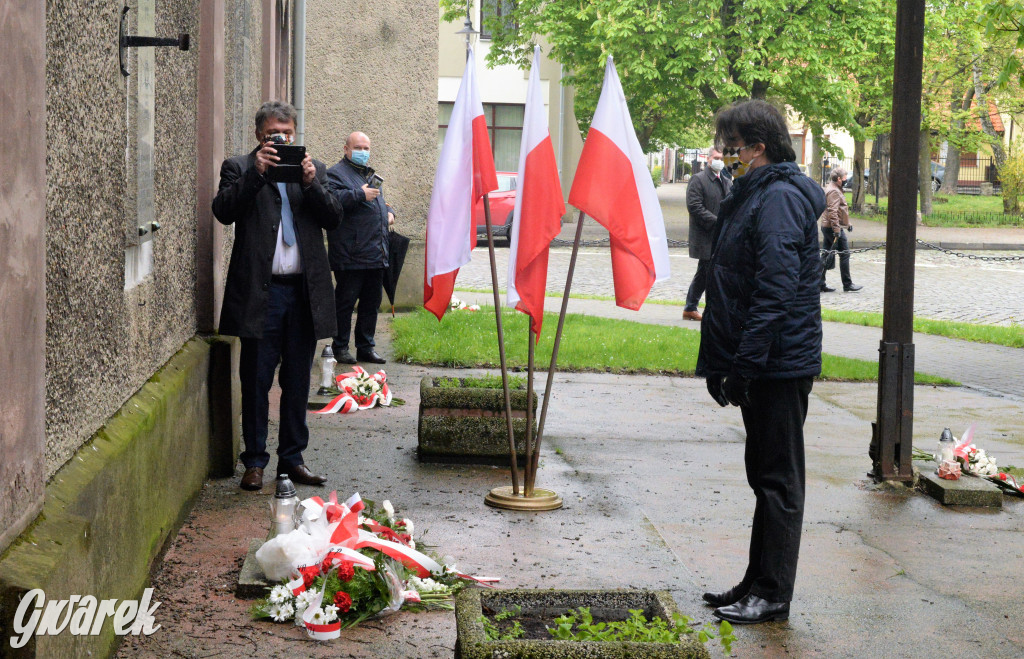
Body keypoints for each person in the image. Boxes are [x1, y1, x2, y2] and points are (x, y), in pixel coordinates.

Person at [696, 99, 825, 625]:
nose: (727, 154)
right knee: (764, 476)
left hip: (778, 364)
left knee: (778, 481)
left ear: (759, 147)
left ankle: (772, 593)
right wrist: (722, 364)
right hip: (762, 361)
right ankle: (756, 581)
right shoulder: (754, 193)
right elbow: (730, 282)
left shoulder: (780, 199)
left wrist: (743, 367)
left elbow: (773, 293)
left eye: (733, 146)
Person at [213, 101, 342, 491]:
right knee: (256, 380)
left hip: (302, 295)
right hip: (260, 296)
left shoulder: (314, 170)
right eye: (274, 134)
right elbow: (223, 210)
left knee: (298, 381)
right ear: (259, 135)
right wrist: (257, 173)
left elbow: (334, 217)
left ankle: (292, 460)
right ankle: (254, 461)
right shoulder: (239, 167)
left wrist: (311, 184)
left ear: (295, 134)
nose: (282, 139)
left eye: (288, 133)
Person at [325, 132, 395, 365]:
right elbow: (331, 201)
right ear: (346, 149)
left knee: (371, 304)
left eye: (366, 148)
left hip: (376, 252)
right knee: (345, 303)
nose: (363, 152)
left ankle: (366, 347)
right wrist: (359, 194)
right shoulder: (335, 173)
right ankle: (340, 347)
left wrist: (390, 212)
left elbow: (380, 202)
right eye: (358, 147)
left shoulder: (368, 174)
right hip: (351, 253)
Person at [683, 147, 732, 321]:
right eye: (716, 158)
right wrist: (716, 222)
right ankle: (692, 307)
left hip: (722, 235)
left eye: (722, 158)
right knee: (706, 272)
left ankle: (696, 307)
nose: (719, 161)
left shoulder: (726, 180)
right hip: (706, 235)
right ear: (708, 159)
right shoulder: (698, 179)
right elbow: (694, 206)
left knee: (711, 273)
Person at [819, 167, 862, 293]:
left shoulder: (833, 188)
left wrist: (847, 224)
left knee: (826, 254)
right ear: (838, 179)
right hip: (832, 228)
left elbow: (839, 211)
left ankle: (819, 283)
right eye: (844, 177)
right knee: (845, 253)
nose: (846, 179)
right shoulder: (834, 191)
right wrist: (837, 230)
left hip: (829, 227)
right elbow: (832, 212)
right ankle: (847, 284)